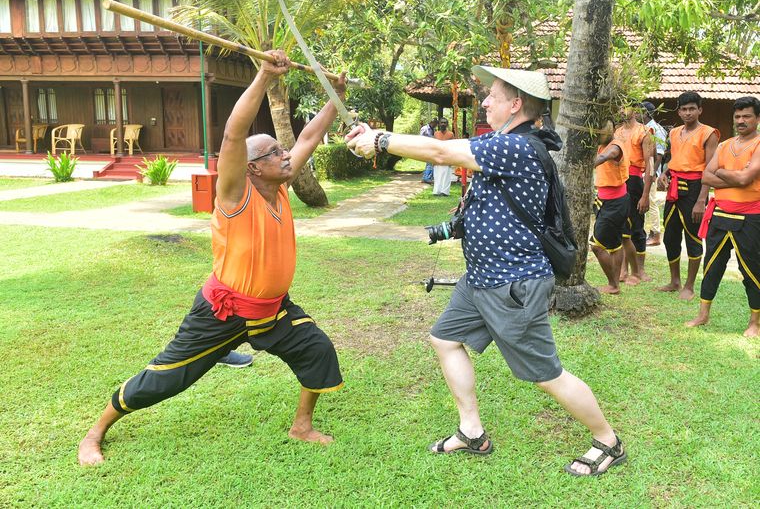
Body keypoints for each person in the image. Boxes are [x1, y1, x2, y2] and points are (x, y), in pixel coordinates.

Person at [346, 66, 625, 477]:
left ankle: (608, 441)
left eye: (493, 95)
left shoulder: (521, 147)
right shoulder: (501, 143)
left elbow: (441, 152)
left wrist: (381, 140)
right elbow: (487, 204)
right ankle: (471, 431)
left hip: (512, 283)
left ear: (517, 105)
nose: (486, 102)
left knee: (545, 374)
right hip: (479, 279)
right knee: (444, 339)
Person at [78, 51, 345, 466]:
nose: (285, 155)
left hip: (272, 311)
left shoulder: (281, 188)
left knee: (317, 349)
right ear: (252, 168)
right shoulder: (236, 195)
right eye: (274, 152)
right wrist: (262, 77)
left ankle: (302, 426)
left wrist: (335, 95)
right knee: (165, 379)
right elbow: (233, 138)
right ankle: (95, 432)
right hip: (223, 311)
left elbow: (307, 138)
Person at [687, 96, 760, 337]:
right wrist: (735, 175)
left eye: (746, 116)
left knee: (751, 268)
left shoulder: (759, 144)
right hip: (720, 213)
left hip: (750, 216)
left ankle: (754, 322)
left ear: (757, 119)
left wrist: (724, 173)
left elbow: (745, 179)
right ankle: (703, 314)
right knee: (712, 264)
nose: (741, 120)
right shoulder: (724, 145)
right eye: (737, 116)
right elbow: (706, 177)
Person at [657, 92, 720, 300]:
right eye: (683, 109)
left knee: (692, 237)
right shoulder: (674, 132)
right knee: (670, 236)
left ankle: (689, 286)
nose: (687, 113)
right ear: (679, 111)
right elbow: (674, 159)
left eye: (692, 108)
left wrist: (702, 200)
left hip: (695, 188)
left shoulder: (708, 133)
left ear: (700, 110)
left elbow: (709, 169)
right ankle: (675, 281)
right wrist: (665, 173)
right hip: (674, 186)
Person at [615, 106, 654, 284]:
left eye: (626, 106)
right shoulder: (617, 131)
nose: (622, 110)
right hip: (618, 181)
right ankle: (623, 269)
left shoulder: (645, 131)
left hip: (635, 181)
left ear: (636, 109)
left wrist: (645, 195)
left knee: (637, 226)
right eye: (620, 106)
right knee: (622, 226)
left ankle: (639, 270)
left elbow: (650, 165)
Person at [591, 121, 630, 294]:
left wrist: (591, 162)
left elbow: (609, 155)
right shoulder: (601, 145)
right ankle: (615, 284)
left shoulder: (615, 146)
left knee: (596, 246)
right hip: (608, 201)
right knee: (615, 244)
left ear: (613, 128)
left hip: (615, 203)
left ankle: (613, 284)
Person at [641, 102, 667, 246]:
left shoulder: (655, 129)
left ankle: (656, 234)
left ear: (646, 113)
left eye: (639, 112)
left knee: (650, 201)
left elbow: (658, 156)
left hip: (650, 171)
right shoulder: (643, 128)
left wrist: (649, 175)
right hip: (643, 171)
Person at [432, 119, 455, 196]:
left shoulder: (451, 134)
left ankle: (445, 192)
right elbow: (433, 146)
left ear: (447, 124)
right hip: (437, 157)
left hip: (447, 157)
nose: (443, 124)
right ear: (439, 124)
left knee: (446, 174)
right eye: (441, 123)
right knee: (437, 174)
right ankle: (436, 191)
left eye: (445, 123)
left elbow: (453, 147)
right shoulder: (436, 134)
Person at [420, 118, 438, 184]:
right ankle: (427, 178)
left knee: (430, 163)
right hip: (426, 147)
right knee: (430, 163)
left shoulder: (433, 129)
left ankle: (426, 177)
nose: (435, 126)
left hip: (432, 148)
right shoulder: (424, 128)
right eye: (435, 124)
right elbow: (421, 138)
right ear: (432, 122)